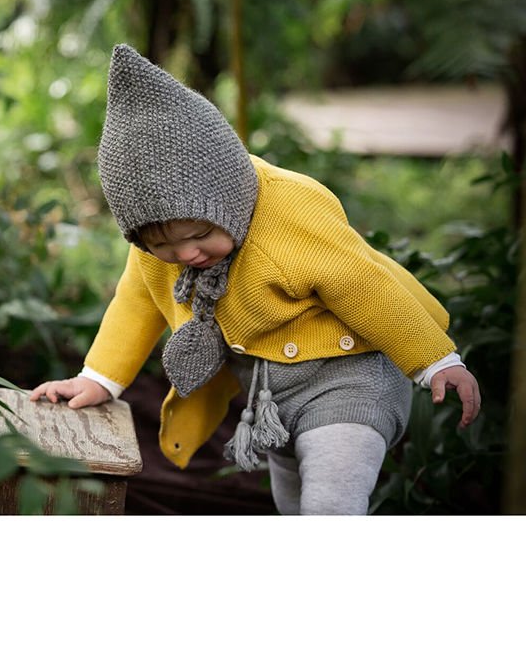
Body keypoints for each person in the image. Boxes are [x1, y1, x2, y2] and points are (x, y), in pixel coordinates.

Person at [30, 43, 481, 515]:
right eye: (163, 246)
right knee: (291, 504)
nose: (185, 254)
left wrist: (434, 361)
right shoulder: (157, 242)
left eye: (201, 234)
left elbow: (362, 284)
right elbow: (136, 302)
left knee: (330, 506)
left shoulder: (291, 211)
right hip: (270, 404)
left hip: (348, 378)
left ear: (230, 196)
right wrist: (98, 379)